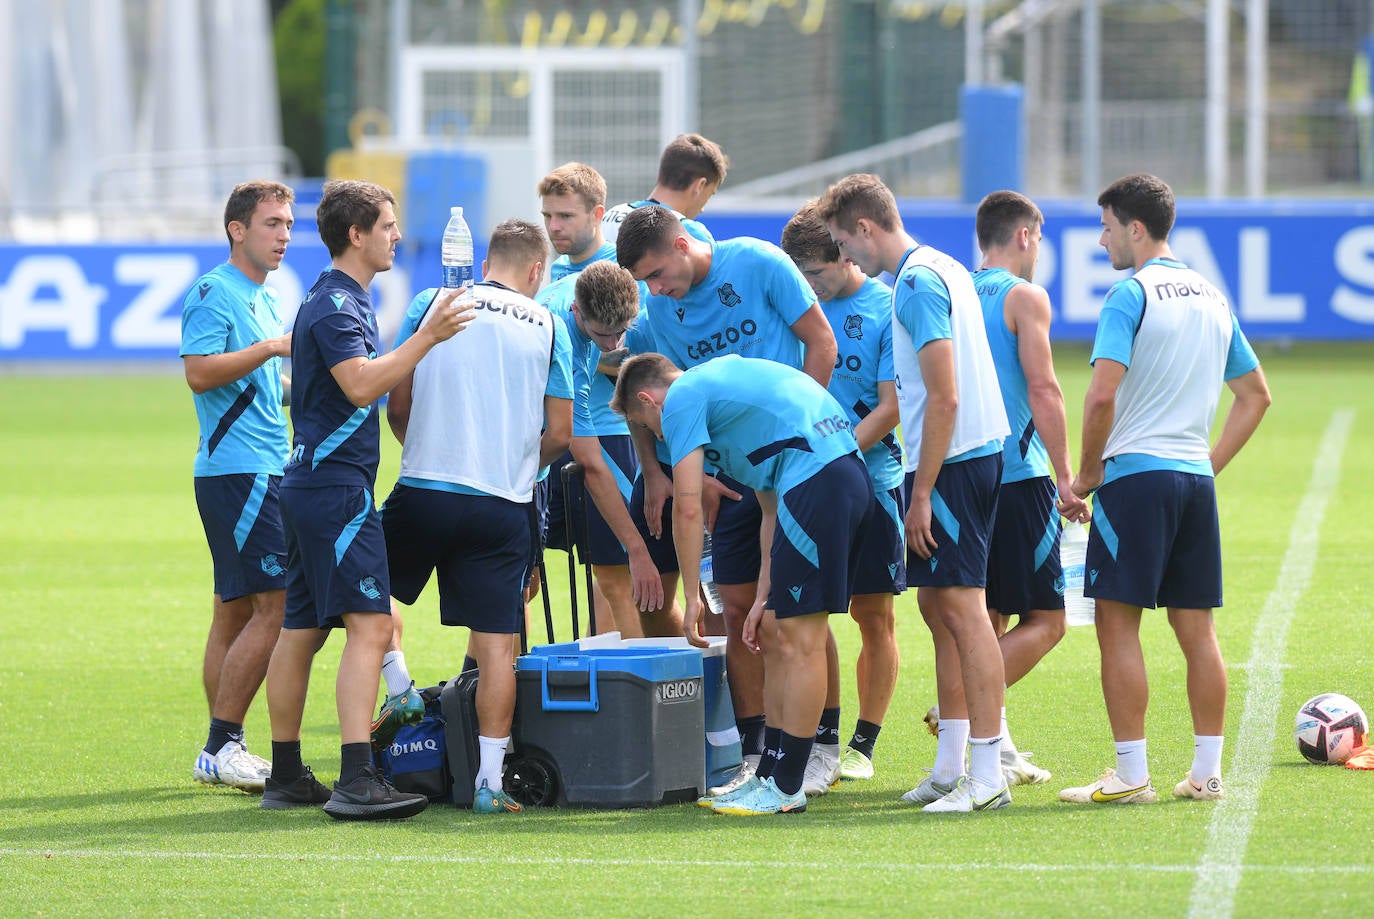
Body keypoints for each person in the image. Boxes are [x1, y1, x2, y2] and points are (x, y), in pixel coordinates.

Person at [261, 179, 475, 819]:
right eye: (386, 225)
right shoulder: (335, 306)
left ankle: (286, 773)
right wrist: (426, 338)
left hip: (310, 485)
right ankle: (357, 778)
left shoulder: (337, 301)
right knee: (371, 625)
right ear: (356, 234)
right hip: (332, 491)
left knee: (300, 628)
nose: (397, 236)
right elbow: (358, 387)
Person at [1060, 174, 1270, 805]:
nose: (1100, 242)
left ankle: (1131, 774)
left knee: (1117, 628)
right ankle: (1207, 774)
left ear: (1134, 227)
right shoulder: (1213, 296)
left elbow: (1101, 395)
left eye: (1104, 227)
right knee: (1197, 631)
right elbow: (1255, 397)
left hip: (1135, 481)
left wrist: (1087, 475)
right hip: (1192, 483)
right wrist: (1207, 464)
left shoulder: (1130, 296)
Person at [616, 203, 838, 788]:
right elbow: (637, 392)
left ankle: (823, 745)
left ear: (684, 244)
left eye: (658, 274)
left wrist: (795, 433)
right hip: (728, 474)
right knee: (739, 608)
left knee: (801, 612)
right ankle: (757, 746)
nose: (656, 290)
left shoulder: (759, 262)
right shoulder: (655, 312)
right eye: (645, 282)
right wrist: (663, 469)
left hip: (794, 461)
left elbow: (822, 343)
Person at [818, 174, 1012, 813]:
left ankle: (987, 775)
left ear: (866, 229)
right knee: (941, 613)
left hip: (952, 464)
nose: (848, 257)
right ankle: (953, 764)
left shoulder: (917, 282)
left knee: (964, 613)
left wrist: (922, 490)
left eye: (847, 242)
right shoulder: (940, 266)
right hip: (964, 458)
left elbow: (945, 393)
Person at [611, 353, 874, 815]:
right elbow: (769, 508)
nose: (660, 437)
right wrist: (763, 596)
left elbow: (687, 507)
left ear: (648, 401)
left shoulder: (683, 397)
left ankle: (787, 785)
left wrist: (691, 596)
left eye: (649, 428)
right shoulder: (729, 404)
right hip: (824, 479)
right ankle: (770, 774)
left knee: (799, 641)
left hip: (821, 481)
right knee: (776, 631)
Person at [381, 218, 573, 815]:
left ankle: (396, 695)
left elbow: (398, 399)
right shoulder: (549, 324)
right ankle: (490, 782)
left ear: (487, 259)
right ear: (537, 270)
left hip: (425, 486)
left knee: (368, 607)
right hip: (501, 502)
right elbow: (561, 431)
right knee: (498, 646)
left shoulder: (433, 300)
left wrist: (419, 445)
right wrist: (517, 463)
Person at [779, 201, 905, 791]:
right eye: (799, 276)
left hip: (872, 481)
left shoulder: (885, 307)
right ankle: (821, 736)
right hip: (804, 484)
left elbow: (894, 404)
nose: (810, 287)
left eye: (818, 274)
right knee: (808, 613)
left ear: (846, 254)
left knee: (872, 614)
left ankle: (863, 743)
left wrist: (839, 454)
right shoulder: (793, 306)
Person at [972, 190, 1091, 787]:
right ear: (1024, 236)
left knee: (984, 614)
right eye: (1039, 239)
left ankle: (997, 748)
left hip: (961, 473)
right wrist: (1066, 476)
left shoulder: (952, 292)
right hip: (1020, 476)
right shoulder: (1025, 297)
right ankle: (965, 708)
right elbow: (1044, 390)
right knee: (1049, 618)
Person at [181, 180, 294, 792]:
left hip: (262, 465)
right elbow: (199, 375)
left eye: (287, 226)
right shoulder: (213, 292)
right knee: (273, 608)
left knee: (233, 610)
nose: (282, 236)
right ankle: (222, 744)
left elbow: (261, 389)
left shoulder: (265, 295)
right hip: (239, 472)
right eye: (272, 223)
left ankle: (224, 745)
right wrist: (271, 348)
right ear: (237, 229)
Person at [539, 260, 683, 638]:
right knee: (622, 580)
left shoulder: (587, 297)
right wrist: (635, 548)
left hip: (551, 442)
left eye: (621, 332)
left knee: (616, 583)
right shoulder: (565, 341)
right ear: (576, 310)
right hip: (543, 447)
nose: (613, 346)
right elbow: (587, 459)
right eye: (603, 334)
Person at [601, 133, 727, 244]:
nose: (702, 210)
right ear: (699, 186)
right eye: (709, 194)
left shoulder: (610, 216)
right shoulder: (690, 234)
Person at [538, 161, 616, 282]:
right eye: (547, 215)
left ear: (597, 215)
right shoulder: (558, 268)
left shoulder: (625, 267)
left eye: (565, 216)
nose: (553, 227)